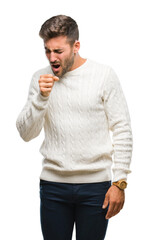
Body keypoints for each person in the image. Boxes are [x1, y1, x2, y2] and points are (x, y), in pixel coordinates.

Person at [16, 15, 133, 240]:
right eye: (47, 51)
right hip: (53, 187)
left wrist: (120, 181)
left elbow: (122, 129)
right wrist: (41, 98)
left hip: (96, 187)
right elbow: (25, 134)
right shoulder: (40, 78)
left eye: (58, 51)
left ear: (76, 46)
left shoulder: (103, 75)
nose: (52, 58)